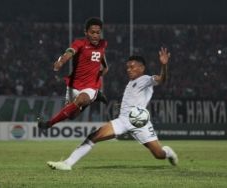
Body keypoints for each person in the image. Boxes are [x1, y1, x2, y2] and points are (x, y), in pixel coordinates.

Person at [46, 47, 178, 170]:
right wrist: (123, 106)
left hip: (139, 122)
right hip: (123, 120)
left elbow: (162, 79)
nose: (129, 70)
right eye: (127, 67)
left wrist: (164, 65)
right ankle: (67, 164)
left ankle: (168, 152)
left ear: (141, 68)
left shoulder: (146, 79)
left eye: (132, 67)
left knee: (159, 154)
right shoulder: (132, 82)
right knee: (94, 136)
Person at [38, 17, 108, 129]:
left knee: (81, 99)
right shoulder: (79, 43)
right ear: (86, 32)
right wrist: (61, 61)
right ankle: (92, 100)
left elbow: (101, 54)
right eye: (92, 32)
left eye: (98, 33)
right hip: (74, 85)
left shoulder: (102, 44)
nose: (95, 35)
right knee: (71, 115)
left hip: (90, 86)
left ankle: (48, 124)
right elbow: (70, 52)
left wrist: (104, 68)